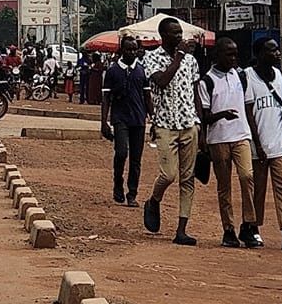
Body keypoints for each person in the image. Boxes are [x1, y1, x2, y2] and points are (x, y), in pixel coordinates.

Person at [141, 18, 202, 246]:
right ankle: (154, 200)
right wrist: (179, 56)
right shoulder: (151, 58)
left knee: (188, 178)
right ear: (163, 35)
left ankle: (181, 229)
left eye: (180, 33)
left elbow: (195, 92)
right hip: (165, 124)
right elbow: (162, 81)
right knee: (168, 175)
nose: (179, 37)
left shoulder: (191, 61)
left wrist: (200, 123)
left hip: (188, 123)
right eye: (174, 33)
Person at [245, 36, 282, 249]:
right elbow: (249, 114)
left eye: (277, 49)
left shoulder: (280, 76)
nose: (277, 53)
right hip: (258, 146)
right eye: (272, 50)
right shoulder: (248, 77)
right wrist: (257, 144)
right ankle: (254, 228)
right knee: (258, 189)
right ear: (259, 54)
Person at [197, 38, 255, 247]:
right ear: (217, 56)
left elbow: (248, 107)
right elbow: (205, 116)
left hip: (241, 135)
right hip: (218, 138)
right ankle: (228, 229)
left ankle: (248, 224)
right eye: (229, 54)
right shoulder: (207, 81)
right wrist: (221, 115)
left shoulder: (240, 76)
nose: (233, 58)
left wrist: (254, 136)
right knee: (224, 186)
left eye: (235, 54)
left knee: (247, 176)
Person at [101, 35, 151, 205]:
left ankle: (132, 194)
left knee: (136, 159)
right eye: (129, 49)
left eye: (134, 49)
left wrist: (153, 117)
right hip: (120, 117)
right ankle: (118, 183)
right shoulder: (113, 71)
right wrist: (104, 122)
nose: (132, 52)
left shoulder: (141, 70)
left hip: (138, 119)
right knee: (121, 152)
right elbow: (106, 98)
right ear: (122, 50)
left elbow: (147, 95)